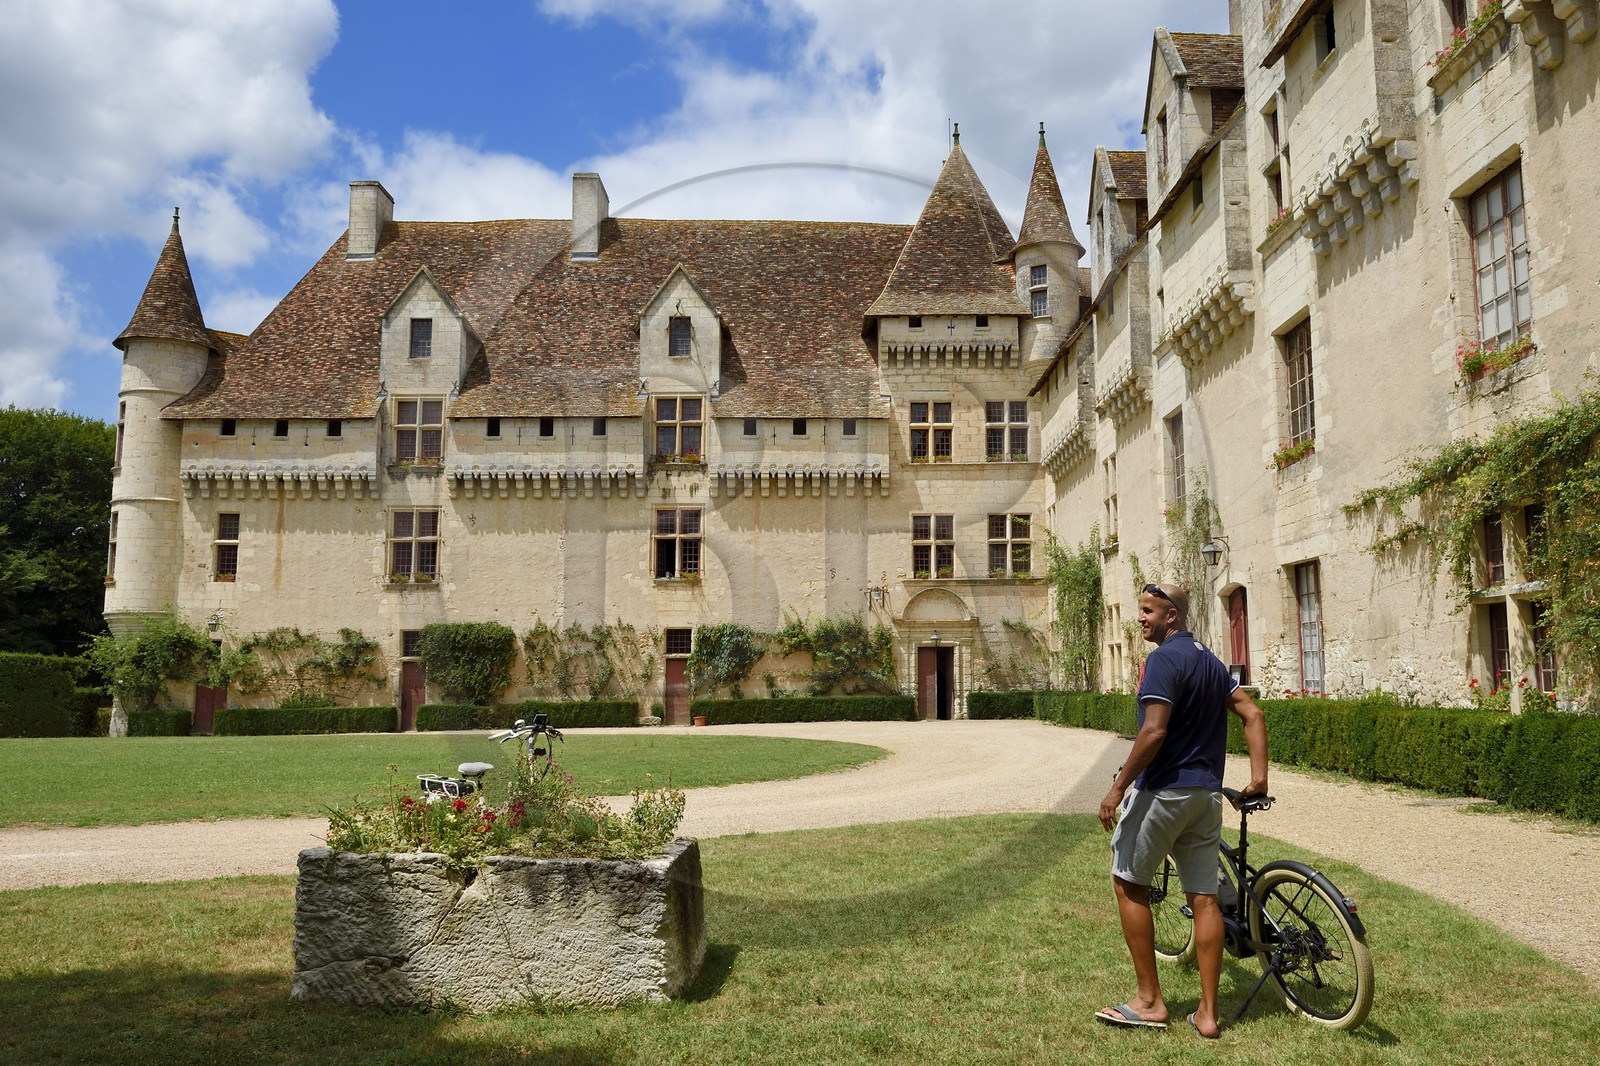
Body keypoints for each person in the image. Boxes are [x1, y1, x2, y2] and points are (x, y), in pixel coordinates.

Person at [1095, 582, 1268, 1039]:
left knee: (1128, 884)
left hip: (1165, 792)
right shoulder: (1211, 662)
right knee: (1204, 898)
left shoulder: (1162, 661)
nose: (1140, 618)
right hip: (1207, 797)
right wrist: (1259, 777)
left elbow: (1153, 733)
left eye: (1148, 611)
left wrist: (1116, 790)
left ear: (1172, 616)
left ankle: (1150, 1002)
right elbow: (1253, 714)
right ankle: (1207, 1016)